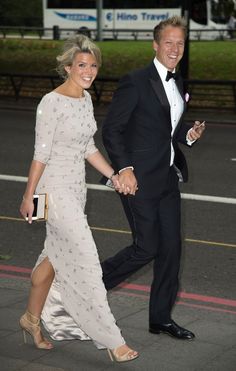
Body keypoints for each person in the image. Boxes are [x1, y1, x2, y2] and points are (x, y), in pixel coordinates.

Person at [19, 34, 138, 363]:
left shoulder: (84, 99)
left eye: (93, 65)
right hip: (51, 190)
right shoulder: (51, 102)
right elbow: (40, 155)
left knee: (53, 259)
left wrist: (114, 176)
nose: (88, 70)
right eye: (82, 65)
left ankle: (30, 319)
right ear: (68, 67)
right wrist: (29, 195)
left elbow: (88, 147)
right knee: (86, 259)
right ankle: (111, 339)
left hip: (75, 190)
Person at [101, 16, 205, 340]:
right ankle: (88, 287)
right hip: (139, 182)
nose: (175, 49)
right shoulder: (135, 81)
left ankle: (160, 318)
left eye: (180, 43)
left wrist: (187, 135)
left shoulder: (179, 83)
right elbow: (111, 130)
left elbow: (165, 131)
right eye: (169, 42)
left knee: (171, 250)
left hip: (168, 180)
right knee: (146, 248)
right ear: (156, 45)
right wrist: (125, 168)